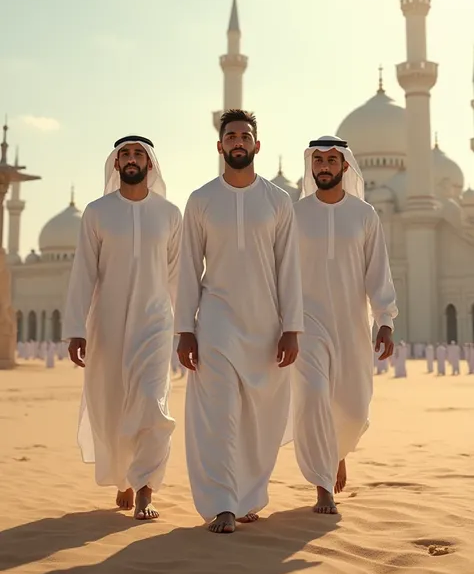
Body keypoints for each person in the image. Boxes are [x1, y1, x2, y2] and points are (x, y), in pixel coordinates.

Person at [175, 109, 304, 534]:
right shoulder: (201, 200)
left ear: (256, 145)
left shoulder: (278, 201)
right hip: (215, 321)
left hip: (265, 324)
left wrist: (292, 326)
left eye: (244, 135)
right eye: (230, 135)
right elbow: (190, 268)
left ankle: (247, 495)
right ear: (219, 145)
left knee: (258, 418)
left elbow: (289, 269)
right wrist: (185, 329)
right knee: (221, 414)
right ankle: (224, 504)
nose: (237, 142)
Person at [63, 136, 182, 520]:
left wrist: (185, 328)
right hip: (108, 323)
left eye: (139, 154)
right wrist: (76, 328)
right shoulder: (97, 213)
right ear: (116, 164)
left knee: (151, 401)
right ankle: (124, 478)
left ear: (151, 164)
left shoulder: (169, 214)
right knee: (112, 404)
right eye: (125, 154)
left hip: (155, 321)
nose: (131, 159)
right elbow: (83, 272)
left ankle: (146, 486)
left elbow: (178, 276)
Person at [292, 136, 398, 515]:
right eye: (317, 160)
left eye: (331, 160)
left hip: (352, 324)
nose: (323, 166)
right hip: (307, 323)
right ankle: (323, 484)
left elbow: (377, 271)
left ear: (345, 167)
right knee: (315, 396)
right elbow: (280, 271)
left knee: (352, 410)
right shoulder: (296, 214)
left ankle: (337, 452)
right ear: (311, 166)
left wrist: (384, 319)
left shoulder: (365, 214)